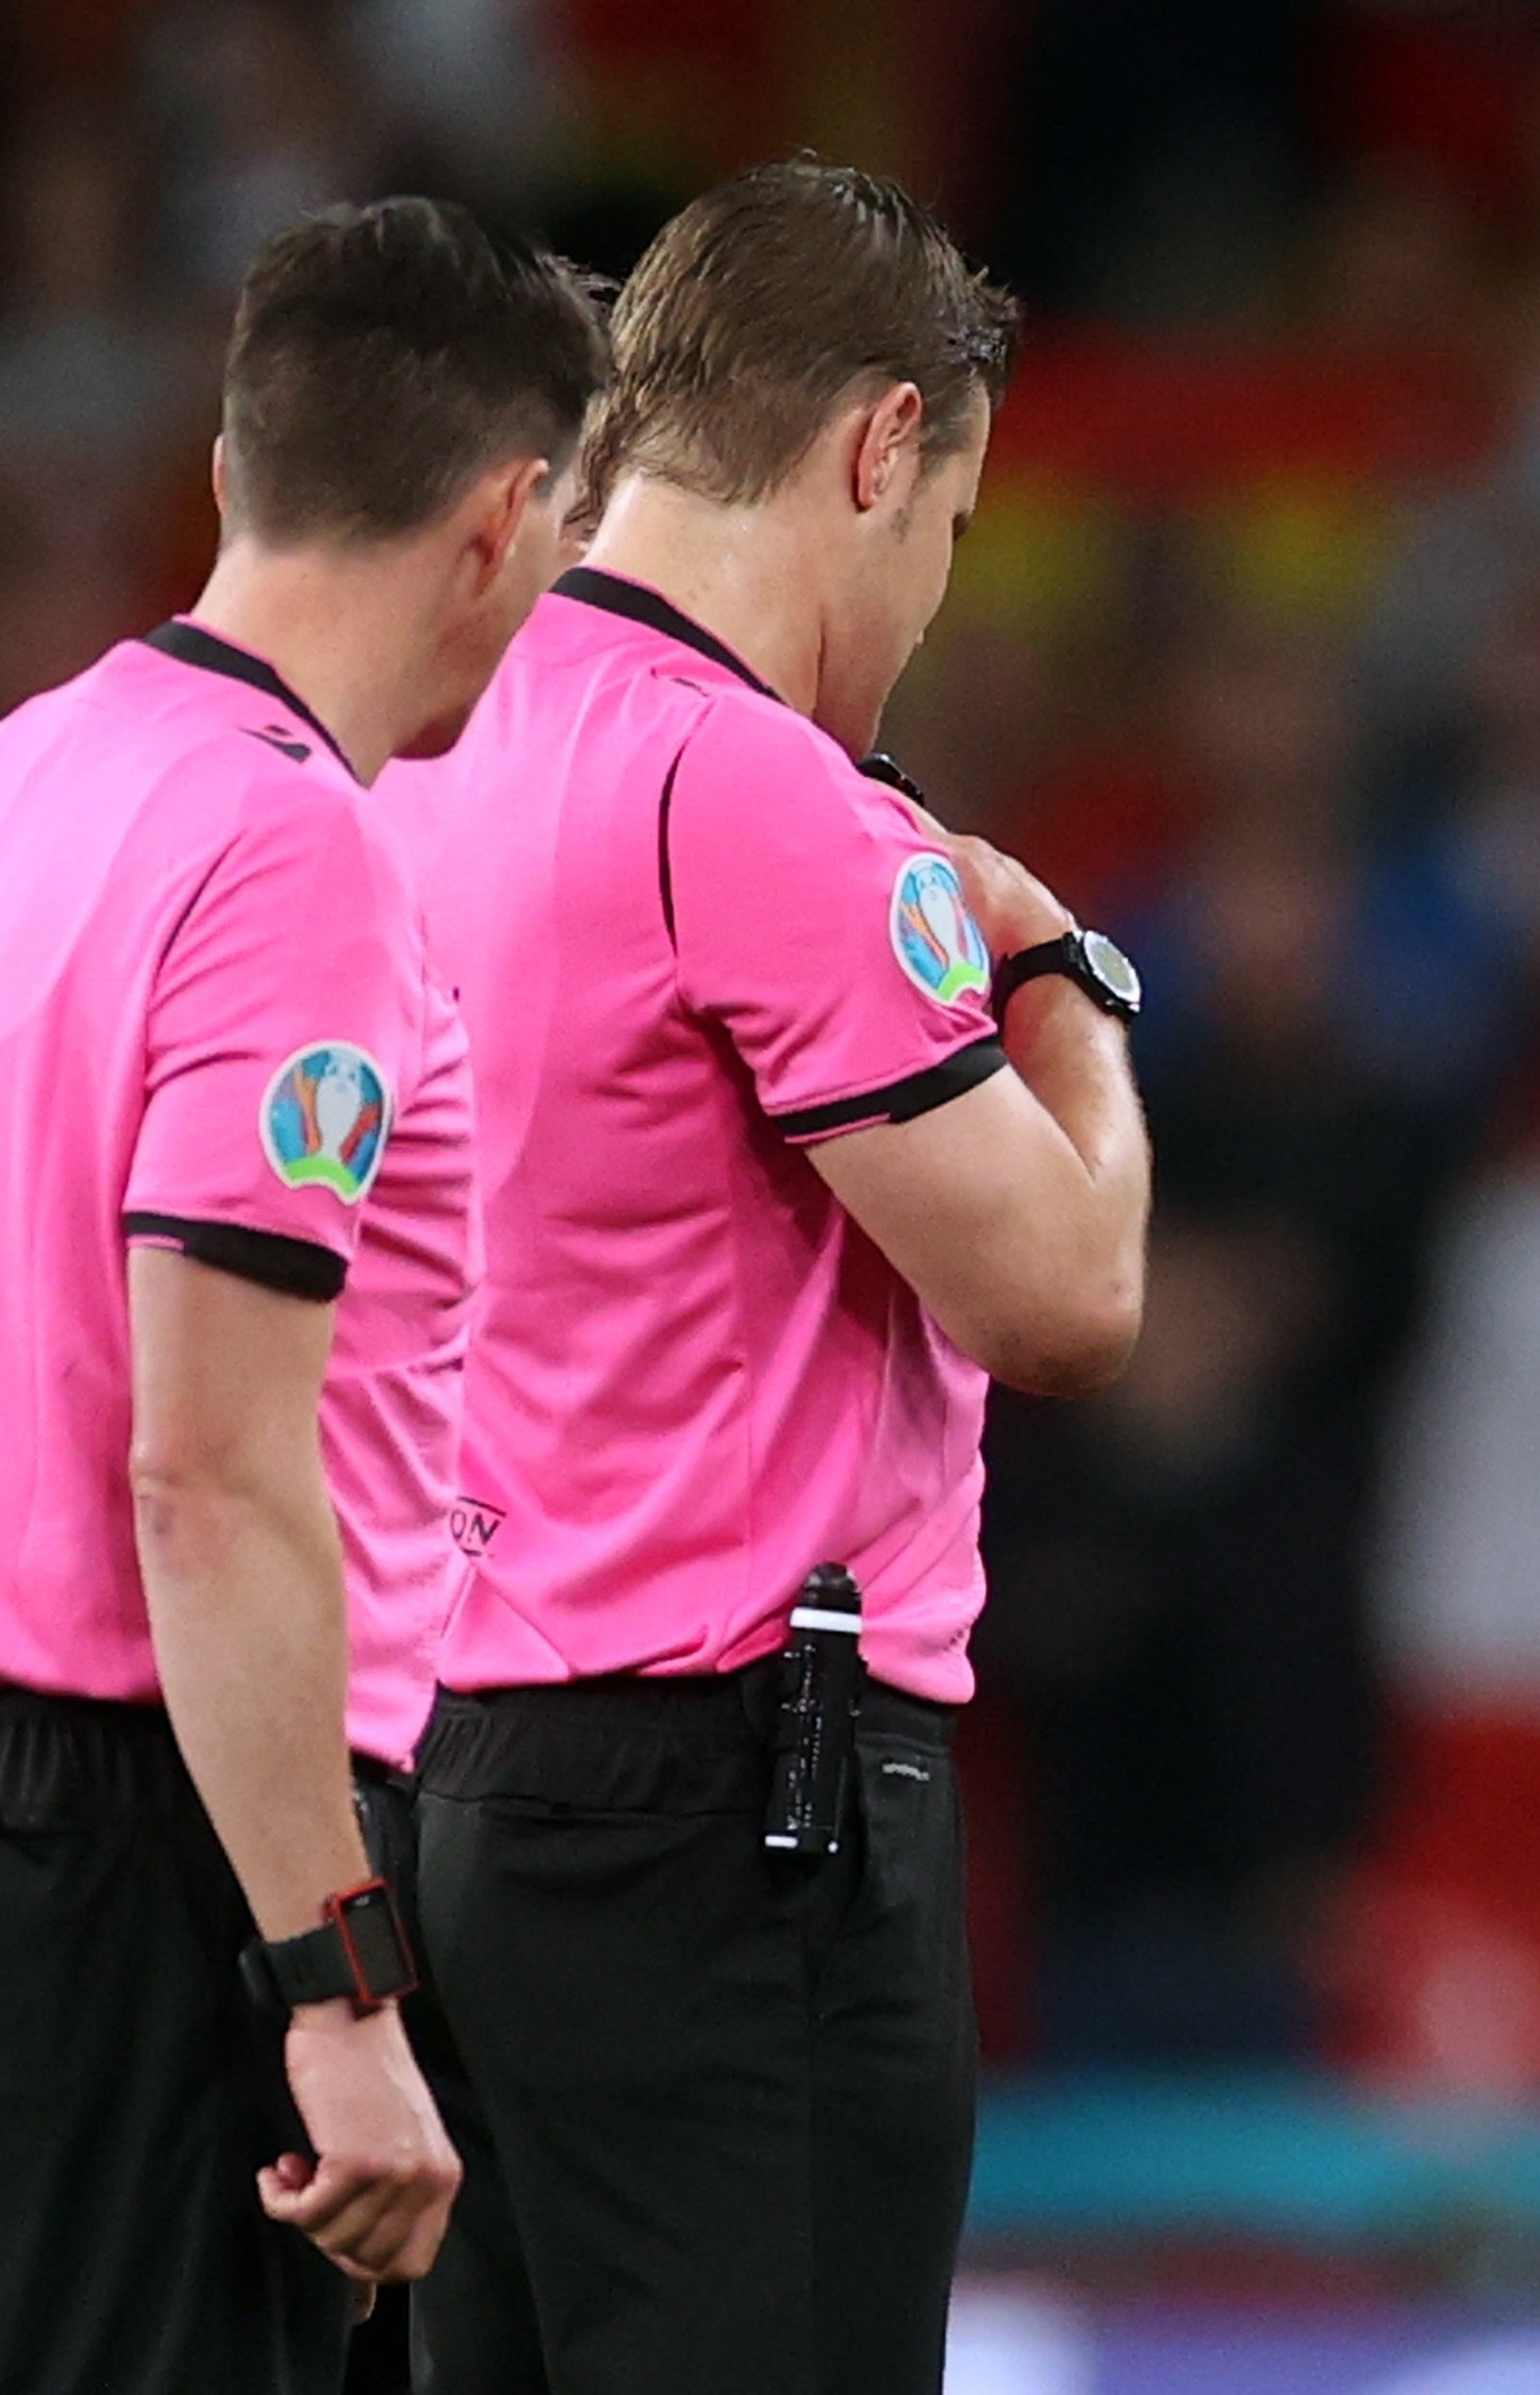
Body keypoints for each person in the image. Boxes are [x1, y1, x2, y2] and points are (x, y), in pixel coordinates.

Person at [378, 161, 1150, 2395]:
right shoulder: (765, 794)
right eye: (948, 527)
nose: (922, 591)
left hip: (459, 1789)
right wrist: (1062, 983)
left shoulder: (429, 750)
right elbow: (1065, 1296)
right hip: (733, 1827)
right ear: (879, 447)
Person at [0, 196, 605, 2390]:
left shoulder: (35, 774)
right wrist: (330, 2000)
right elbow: (210, 1473)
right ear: (512, 516)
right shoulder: (295, 857)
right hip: (153, 1822)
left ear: (239, 466)